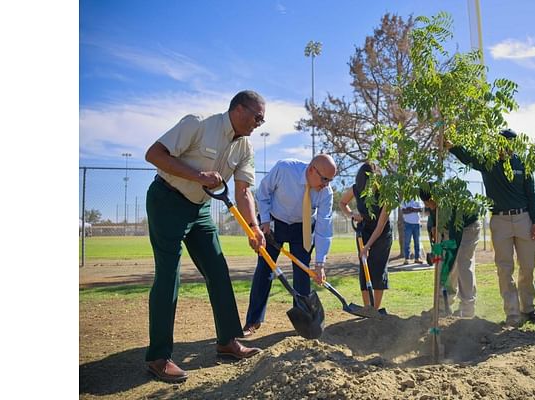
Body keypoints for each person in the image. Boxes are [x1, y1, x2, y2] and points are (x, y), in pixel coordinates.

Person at [143, 90, 265, 383]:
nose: (260, 123)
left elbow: (243, 190)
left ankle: (227, 341)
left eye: (263, 120)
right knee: (169, 276)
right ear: (238, 109)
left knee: (218, 270)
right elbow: (154, 154)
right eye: (257, 117)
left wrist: (255, 226)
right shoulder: (197, 124)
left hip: (199, 209)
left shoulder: (246, 147)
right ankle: (158, 357)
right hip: (166, 201)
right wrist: (198, 176)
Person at [447, 129, 535, 327]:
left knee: (528, 266)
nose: (505, 147)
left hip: (523, 218)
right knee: (504, 268)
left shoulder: (523, 164)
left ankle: (529, 308)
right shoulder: (488, 162)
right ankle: (512, 313)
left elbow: (532, 194)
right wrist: (452, 146)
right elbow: (469, 158)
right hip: (500, 221)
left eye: (508, 143)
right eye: (501, 143)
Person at [244, 155, 336, 334]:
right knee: (264, 270)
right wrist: (264, 220)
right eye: (325, 179)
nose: (326, 184)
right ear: (311, 170)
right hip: (274, 224)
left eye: (330, 180)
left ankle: (303, 325)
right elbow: (263, 192)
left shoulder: (326, 192)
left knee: (302, 273)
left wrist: (320, 263)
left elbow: (324, 227)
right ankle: (253, 321)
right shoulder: (284, 169)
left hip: (302, 228)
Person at [338, 162, 392, 309]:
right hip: (364, 231)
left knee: (378, 269)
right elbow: (342, 203)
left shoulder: (387, 194)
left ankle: (375, 309)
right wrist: (352, 214)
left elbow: (380, 226)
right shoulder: (356, 189)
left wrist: (367, 247)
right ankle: (367, 308)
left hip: (382, 234)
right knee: (364, 268)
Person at [420, 188, 481, 318]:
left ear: (435, 198)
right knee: (446, 267)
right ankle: (442, 307)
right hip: (449, 230)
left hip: (468, 228)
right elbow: (435, 237)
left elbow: (455, 241)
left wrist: (446, 268)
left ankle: (467, 308)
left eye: (428, 203)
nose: (427, 206)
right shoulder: (433, 206)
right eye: (425, 204)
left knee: (463, 265)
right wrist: (436, 252)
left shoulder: (452, 205)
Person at [400, 197, 424, 264]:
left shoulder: (418, 199)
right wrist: (414, 209)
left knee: (417, 242)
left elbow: (421, 209)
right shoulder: (405, 199)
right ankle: (406, 259)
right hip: (407, 223)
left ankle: (417, 258)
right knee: (407, 242)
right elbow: (403, 211)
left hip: (417, 224)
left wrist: (411, 209)